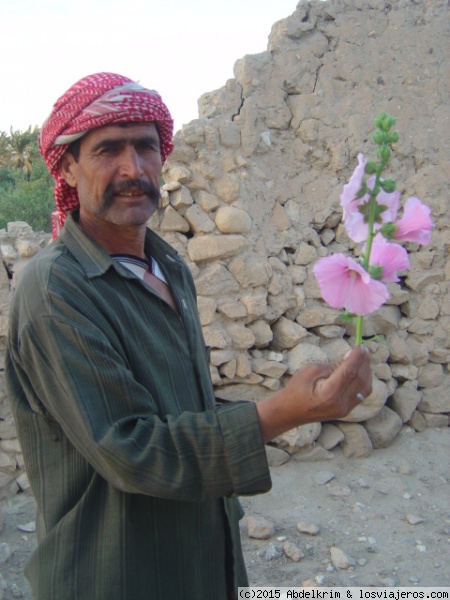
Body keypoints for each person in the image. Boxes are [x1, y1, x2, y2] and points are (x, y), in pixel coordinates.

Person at [5, 72, 372, 600]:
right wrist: (286, 413)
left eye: (146, 147)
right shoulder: (55, 289)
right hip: (114, 574)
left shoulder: (169, 265)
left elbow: (182, 410)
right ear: (67, 165)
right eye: (108, 149)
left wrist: (291, 398)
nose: (133, 169)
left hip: (199, 559)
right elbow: (132, 447)